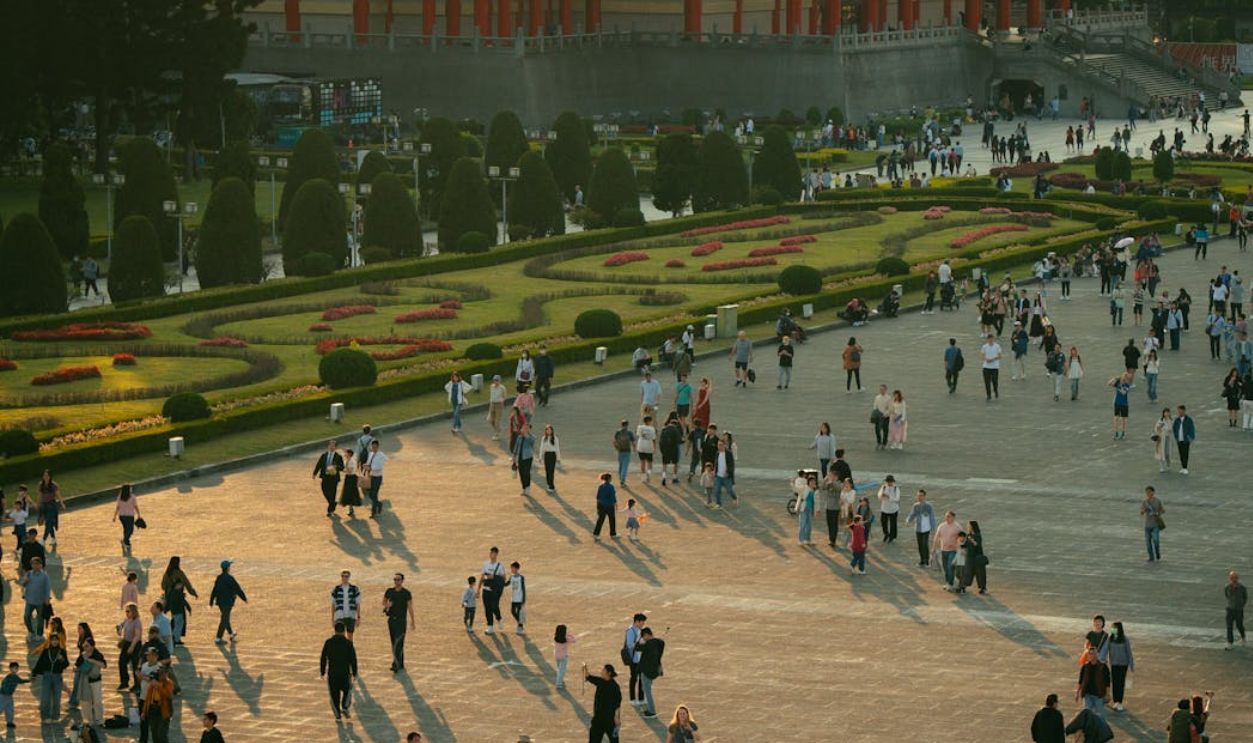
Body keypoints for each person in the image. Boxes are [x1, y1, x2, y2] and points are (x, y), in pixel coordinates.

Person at [320, 621, 358, 722]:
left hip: (333, 673)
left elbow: (323, 657)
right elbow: (353, 659)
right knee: (347, 691)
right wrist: (354, 672)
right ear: (344, 631)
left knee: (334, 695)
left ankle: (337, 714)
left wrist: (322, 671)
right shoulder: (348, 644)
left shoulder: (328, 642)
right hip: (345, 673)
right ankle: (345, 706)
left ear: (335, 630)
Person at [30, 632, 69, 724]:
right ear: (50, 641)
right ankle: (45, 716)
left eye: (56, 640)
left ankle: (56, 716)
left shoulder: (62, 651)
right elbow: (40, 663)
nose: (54, 642)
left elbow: (66, 664)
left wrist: (62, 659)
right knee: (45, 697)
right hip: (47, 676)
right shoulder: (46, 651)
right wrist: (34, 673)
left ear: (59, 641)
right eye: (53, 640)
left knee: (57, 697)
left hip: (57, 676)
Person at [383, 573, 415, 673]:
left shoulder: (406, 593)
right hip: (391, 620)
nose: (396, 581)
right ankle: (400, 663)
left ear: (402, 581)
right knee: (394, 642)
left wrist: (412, 620)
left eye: (398, 579)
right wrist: (387, 605)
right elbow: (384, 603)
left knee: (398, 642)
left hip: (401, 621)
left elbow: (410, 607)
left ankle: (396, 664)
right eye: (395, 579)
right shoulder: (389, 591)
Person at [209, 560, 247, 645]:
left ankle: (231, 634)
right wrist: (244, 598)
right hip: (228, 602)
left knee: (225, 618)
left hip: (220, 601)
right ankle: (218, 638)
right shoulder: (230, 578)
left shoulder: (219, 577)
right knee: (224, 619)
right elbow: (237, 588)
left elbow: (214, 589)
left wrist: (211, 600)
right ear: (228, 568)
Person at [584, 663, 622, 743]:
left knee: (614, 741)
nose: (601, 671)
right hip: (598, 718)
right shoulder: (600, 681)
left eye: (603, 670)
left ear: (609, 673)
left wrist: (617, 718)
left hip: (610, 719)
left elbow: (617, 704)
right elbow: (589, 677)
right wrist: (585, 668)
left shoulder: (615, 687)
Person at [1075, 643, 1111, 718]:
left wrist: (1107, 694)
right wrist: (1077, 693)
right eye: (1090, 654)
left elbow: (1107, 682)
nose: (1091, 655)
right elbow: (1081, 680)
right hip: (1087, 694)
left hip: (1098, 695)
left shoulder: (1103, 667)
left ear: (1097, 654)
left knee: (1100, 717)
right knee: (1087, 715)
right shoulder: (1085, 667)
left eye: (1093, 653)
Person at [636, 627, 665, 718]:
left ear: (647, 635)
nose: (643, 638)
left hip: (647, 671)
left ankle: (651, 711)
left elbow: (637, 648)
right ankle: (649, 708)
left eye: (643, 636)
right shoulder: (657, 643)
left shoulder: (649, 644)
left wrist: (638, 641)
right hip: (654, 670)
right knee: (646, 689)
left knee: (647, 691)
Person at [313, 439, 345, 517]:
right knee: (324, 489)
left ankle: (330, 510)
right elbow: (319, 464)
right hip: (325, 476)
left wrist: (336, 467)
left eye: (333, 446)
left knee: (332, 493)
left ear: (335, 447)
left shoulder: (338, 456)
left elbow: (342, 467)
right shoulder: (324, 455)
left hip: (334, 477)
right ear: (328, 446)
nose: (331, 447)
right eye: (330, 445)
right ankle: (333, 503)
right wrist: (314, 473)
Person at [478, 547, 506, 635]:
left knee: (494, 606)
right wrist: (478, 589)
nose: (491, 555)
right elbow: (482, 577)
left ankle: (499, 618)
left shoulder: (500, 565)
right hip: (486, 589)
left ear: (496, 554)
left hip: (494, 590)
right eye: (490, 553)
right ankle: (490, 626)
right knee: (487, 608)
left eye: (493, 553)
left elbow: (504, 578)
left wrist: (494, 577)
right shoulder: (485, 564)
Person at [1107, 621, 1134, 711]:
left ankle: (1119, 702)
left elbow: (1129, 652)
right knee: (1115, 682)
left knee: (1121, 682)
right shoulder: (1110, 639)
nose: (1113, 629)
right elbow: (1105, 649)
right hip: (1114, 664)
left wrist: (1131, 664)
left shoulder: (1124, 639)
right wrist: (1101, 658)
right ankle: (1116, 701)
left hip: (1123, 664)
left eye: (1115, 628)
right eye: (1112, 627)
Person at [905, 489, 935, 567]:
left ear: (924, 496)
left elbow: (932, 517)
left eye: (921, 496)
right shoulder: (916, 506)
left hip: (926, 528)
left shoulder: (928, 506)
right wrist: (908, 520)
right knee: (920, 545)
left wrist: (933, 528)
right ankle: (922, 560)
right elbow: (912, 514)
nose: (919, 497)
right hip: (918, 528)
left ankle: (927, 560)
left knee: (925, 544)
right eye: (918, 496)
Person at [933, 511, 962, 590]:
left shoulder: (957, 527)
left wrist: (956, 545)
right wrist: (933, 548)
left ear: (953, 517)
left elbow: (961, 539)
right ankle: (947, 582)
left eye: (948, 516)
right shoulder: (942, 526)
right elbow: (936, 537)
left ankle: (950, 583)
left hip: (953, 550)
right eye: (946, 516)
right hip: (943, 550)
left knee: (950, 566)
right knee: (945, 567)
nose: (947, 518)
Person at [36, 469, 64, 548]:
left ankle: (43, 540)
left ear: (50, 476)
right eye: (44, 475)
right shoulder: (41, 484)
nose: (45, 477)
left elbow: (58, 494)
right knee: (48, 523)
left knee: (48, 522)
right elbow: (39, 495)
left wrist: (62, 503)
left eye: (47, 475)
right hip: (44, 506)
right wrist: (38, 504)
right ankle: (53, 539)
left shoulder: (53, 485)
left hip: (51, 506)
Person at [331, 570, 362, 640]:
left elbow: (357, 604)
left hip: (350, 616)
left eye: (346, 576)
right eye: (343, 576)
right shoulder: (336, 589)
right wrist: (333, 619)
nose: (344, 578)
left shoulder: (354, 589)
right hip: (339, 616)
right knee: (339, 637)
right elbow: (333, 604)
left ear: (349, 577)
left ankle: (349, 650)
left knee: (350, 637)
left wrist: (358, 617)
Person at [112, 483, 141, 550]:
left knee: (126, 529)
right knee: (130, 530)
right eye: (130, 488)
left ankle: (127, 542)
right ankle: (125, 541)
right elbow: (136, 506)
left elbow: (117, 507)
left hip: (122, 516)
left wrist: (115, 516)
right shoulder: (132, 497)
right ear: (128, 489)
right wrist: (139, 514)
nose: (131, 489)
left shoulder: (120, 497)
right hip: (130, 516)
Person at [1140, 486, 1165, 563]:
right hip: (1147, 525)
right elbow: (1141, 512)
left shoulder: (1158, 501)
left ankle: (1157, 552)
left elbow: (1163, 510)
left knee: (1156, 540)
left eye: (1149, 492)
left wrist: (1158, 513)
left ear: (1153, 492)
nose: (1148, 494)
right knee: (1148, 542)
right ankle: (1151, 557)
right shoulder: (1145, 502)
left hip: (1155, 525)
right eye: (1147, 492)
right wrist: (1144, 510)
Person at [363, 439, 386, 518]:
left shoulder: (381, 455)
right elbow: (369, 463)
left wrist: (370, 468)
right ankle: (378, 504)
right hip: (371, 476)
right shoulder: (371, 454)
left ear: (378, 447)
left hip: (377, 477)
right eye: (372, 447)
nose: (374, 449)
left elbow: (379, 467)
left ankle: (373, 512)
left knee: (374, 493)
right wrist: (365, 465)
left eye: (375, 447)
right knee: (370, 494)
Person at [0, 661, 28, 728]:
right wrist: (29, 680)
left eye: (17, 668)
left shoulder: (12, 676)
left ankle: (9, 722)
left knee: (9, 708)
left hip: (8, 695)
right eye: (14, 668)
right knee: (2, 708)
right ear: (10, 669)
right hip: (4, 695)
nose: (16, 669)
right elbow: (20, 681)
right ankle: (9, 722)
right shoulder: (12, 676)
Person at [512, 421, 536, 497]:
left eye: (526, 428)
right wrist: (514, 456)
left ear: (529, 430)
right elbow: (516, 447)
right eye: (523, 428)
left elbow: (531, 442)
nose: (524, 429)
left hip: (528, 457)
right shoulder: (519, 437)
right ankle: (524, 487)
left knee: (526, 472)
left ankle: (527, 487)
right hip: (520, 457)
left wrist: (526, 434)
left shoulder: (532, 437)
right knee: (521, 473)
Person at [1225, 570, 1247, 650]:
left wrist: (1241, 605)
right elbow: (1227, 595)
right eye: (1232, 577)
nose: (1233, 579)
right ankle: (1230, 642)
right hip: (1230, 609)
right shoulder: (1227, 587)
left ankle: (1243, 636)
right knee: (1229, 626)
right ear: (1230, 578)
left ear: (1237, 578)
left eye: (1235, 577)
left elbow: (1245, 598)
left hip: (1238, 610)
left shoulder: (1242, 588)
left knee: (1239, 625)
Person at [593, 473, 618, 540]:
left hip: (601, 505)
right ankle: (613, 534)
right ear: (609, 479)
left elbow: (597, 497)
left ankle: (596, 534)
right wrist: (615, 503)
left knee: (600, 520)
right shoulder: (611, 487)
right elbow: (613, 497)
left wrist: (598, 507)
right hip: (609, 506)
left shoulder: (600, 486)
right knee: (612, 520)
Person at [1109, 371, 1133, 440]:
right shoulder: (1118, 383)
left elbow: (1123, 392)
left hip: (1124, 404)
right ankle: (1116, 432)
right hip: (1117, 403)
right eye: (1123, 377)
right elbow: (1109, 383)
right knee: (1116, 418)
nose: (1124, 379)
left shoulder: (1127, 386)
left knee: (1124, 419)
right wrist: (1115, 379)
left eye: (1125, 377)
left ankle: (1123, 433)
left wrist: (1120, 385)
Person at [1171, 404, 1195, 474]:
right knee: (1181, 453)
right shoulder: (1177, 420)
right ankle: (1182, 467)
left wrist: (1190, 437)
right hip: (1179, 439)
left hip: (1186, 440)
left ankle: (1185, 467)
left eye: (1180, 411)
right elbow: (1174, 428)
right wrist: (1176, 437)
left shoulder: (1189, 420)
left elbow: (1192, 429)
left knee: (1185, 453)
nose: (1179, 412)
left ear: (1184, 411)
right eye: (1178, 411)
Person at [877, 475, 900, 543]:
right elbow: (879, 495)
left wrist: (889, 497)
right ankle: (886, 534)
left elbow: (897, 499)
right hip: (884, 508)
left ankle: (892, 536)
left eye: (890, 482)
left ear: (893, 482)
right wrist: (881, 496)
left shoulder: (896, 488)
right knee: (883, 523)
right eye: (888, 482)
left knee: (893, 524)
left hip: (893, 509)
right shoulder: (883, 487)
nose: (889, 483)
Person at [612, 419, 635, 486]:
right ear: (627, 425)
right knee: (625, 466)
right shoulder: (629, 432)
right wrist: (634, 449)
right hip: (627, 451)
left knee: (621, 466)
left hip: (620, 451)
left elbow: (614, 441)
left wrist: (616, 448)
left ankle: (620, 478)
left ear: (621, 424)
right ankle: (622, 480)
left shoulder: (618, 432)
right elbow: (633, 442)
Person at [553, 625, 576, 689]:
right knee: (562, 671)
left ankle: (559, 681)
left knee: (559, 669)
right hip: (564, 657)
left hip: (556, 656)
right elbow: (574, 640)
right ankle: (559, 683)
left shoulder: (555, 638)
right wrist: (569, 634)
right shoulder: (566, 638)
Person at [507, 561, 527, 634]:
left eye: (512, 568)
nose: (511, 569)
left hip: (519, 598)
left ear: (516, 568)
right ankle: (520, 624)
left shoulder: (521, 577)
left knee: (518, 612)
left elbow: (523, 588)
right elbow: (506, 584)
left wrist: (523, 598)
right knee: (512, 611)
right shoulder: (511, 577)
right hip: (513, 598)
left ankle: (520, 626)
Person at [980, 333, 1002, 400]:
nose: (990, 340)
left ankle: (995, 390)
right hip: (986, 367)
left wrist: (993, 359)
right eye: (989, 339)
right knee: (987, 382)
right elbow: (982, 355)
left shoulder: (997, 346)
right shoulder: (984, 346)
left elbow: (1000, 356)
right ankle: (988, 394)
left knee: (995, 381)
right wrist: (986, 359)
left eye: (991, 338)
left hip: (995, 367)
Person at [796, 474, 816, 546]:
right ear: (808, 482)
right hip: (803, 508)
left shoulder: (814, 490)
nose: (813, 483)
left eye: (814, 482)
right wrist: (792, 484)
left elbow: (815, 501)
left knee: (809, 525)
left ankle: (807, 539)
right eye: (811, 482)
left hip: (810, 508)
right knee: (803, 524)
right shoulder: (805, 488)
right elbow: (797, 489)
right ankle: (801, 539)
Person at [1153, 407, 1174, 473]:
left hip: (1168, 438)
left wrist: (1170, 430)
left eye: (1168, 412)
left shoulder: (1171, 420)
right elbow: (1156, 428)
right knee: (1161, 453)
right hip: (1161, 439)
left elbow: (1172, 428)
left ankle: (1168, 463)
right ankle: (1161, 467)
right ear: (1163, 413)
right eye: (1165, 412)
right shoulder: (1161, 420)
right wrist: (1160, 428)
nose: (1167, 414)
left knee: (1167, 452)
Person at [871, 384, 891, 449]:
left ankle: (884, 443)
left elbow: (890, 408)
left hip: (885, 416)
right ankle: (879, 442)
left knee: (885, 430)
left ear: (886, 390)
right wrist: (875, 413)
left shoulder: (889, 398)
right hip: (878, 416)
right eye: (880, 389)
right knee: (877, 430)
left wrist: (885, 414)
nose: (881, 391)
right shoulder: (877, 397)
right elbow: (875, 406)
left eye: (883, 389)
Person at [487, 375, 507, 439]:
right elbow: (491, 396)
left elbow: (504, 396)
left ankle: (496, 434)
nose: (496, 382)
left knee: (497, 420)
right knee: (491, 420)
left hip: (499, 405)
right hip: (492, 404)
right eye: (495, 380)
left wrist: (502, 401)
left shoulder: (502, 388)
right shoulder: (491, 386)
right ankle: (498, 429)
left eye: (497, 380)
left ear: (499, 381)